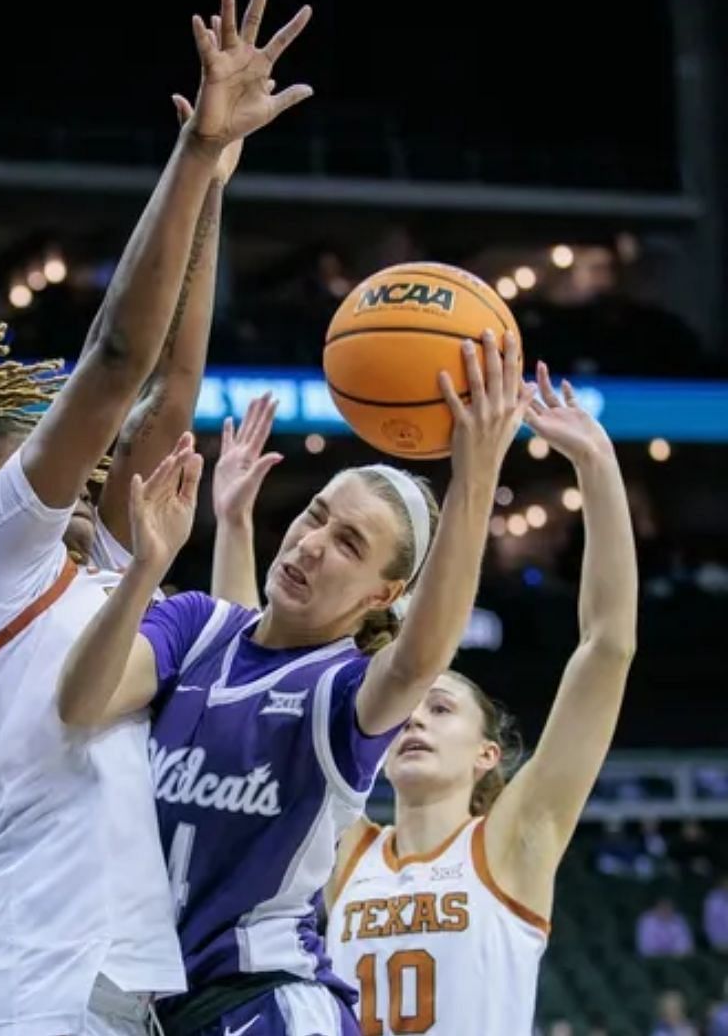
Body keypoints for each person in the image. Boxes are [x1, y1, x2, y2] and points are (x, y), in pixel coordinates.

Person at [0, 0, 314, 1034]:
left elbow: (169, 393)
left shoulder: (99, 566)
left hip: (121, 997)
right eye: (46, 460)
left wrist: (220, 183)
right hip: (32, 997)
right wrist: (188, 158)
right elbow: (113, 362)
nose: (93, 465)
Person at [55, 322, 530, 1035]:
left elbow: (423, 653)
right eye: (316, 516)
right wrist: (152, 564)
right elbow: (80, 703)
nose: (311, 544)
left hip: (269, 1002)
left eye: (348, 545)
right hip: (157, 1009)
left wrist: (479, 473)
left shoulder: (345, 692)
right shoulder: (194, 624)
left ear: (382, 594)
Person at [269, 369, 629, 1034]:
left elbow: (605, 648)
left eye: (441, 709)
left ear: (486, 754)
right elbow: (268, 683)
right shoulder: (348, 850)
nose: (416, 721)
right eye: (413, 708)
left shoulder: (515, 842)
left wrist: (597, 463)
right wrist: (235, 523)